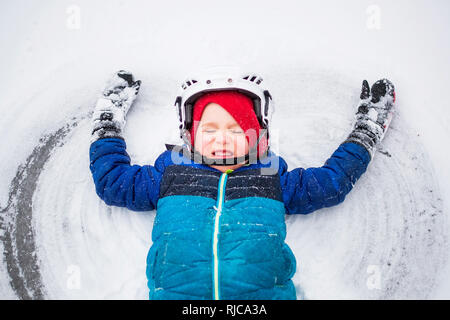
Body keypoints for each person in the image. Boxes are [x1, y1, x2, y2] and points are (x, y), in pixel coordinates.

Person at [89, 68, 395, 300]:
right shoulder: (172, 171)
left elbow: (331, 183)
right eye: (209, 129)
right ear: (190, 135)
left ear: (256, 137)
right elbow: (113, 182)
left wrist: (365, 133)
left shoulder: (270, 176)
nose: (221, 138)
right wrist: (107, 121)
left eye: (236, 131)